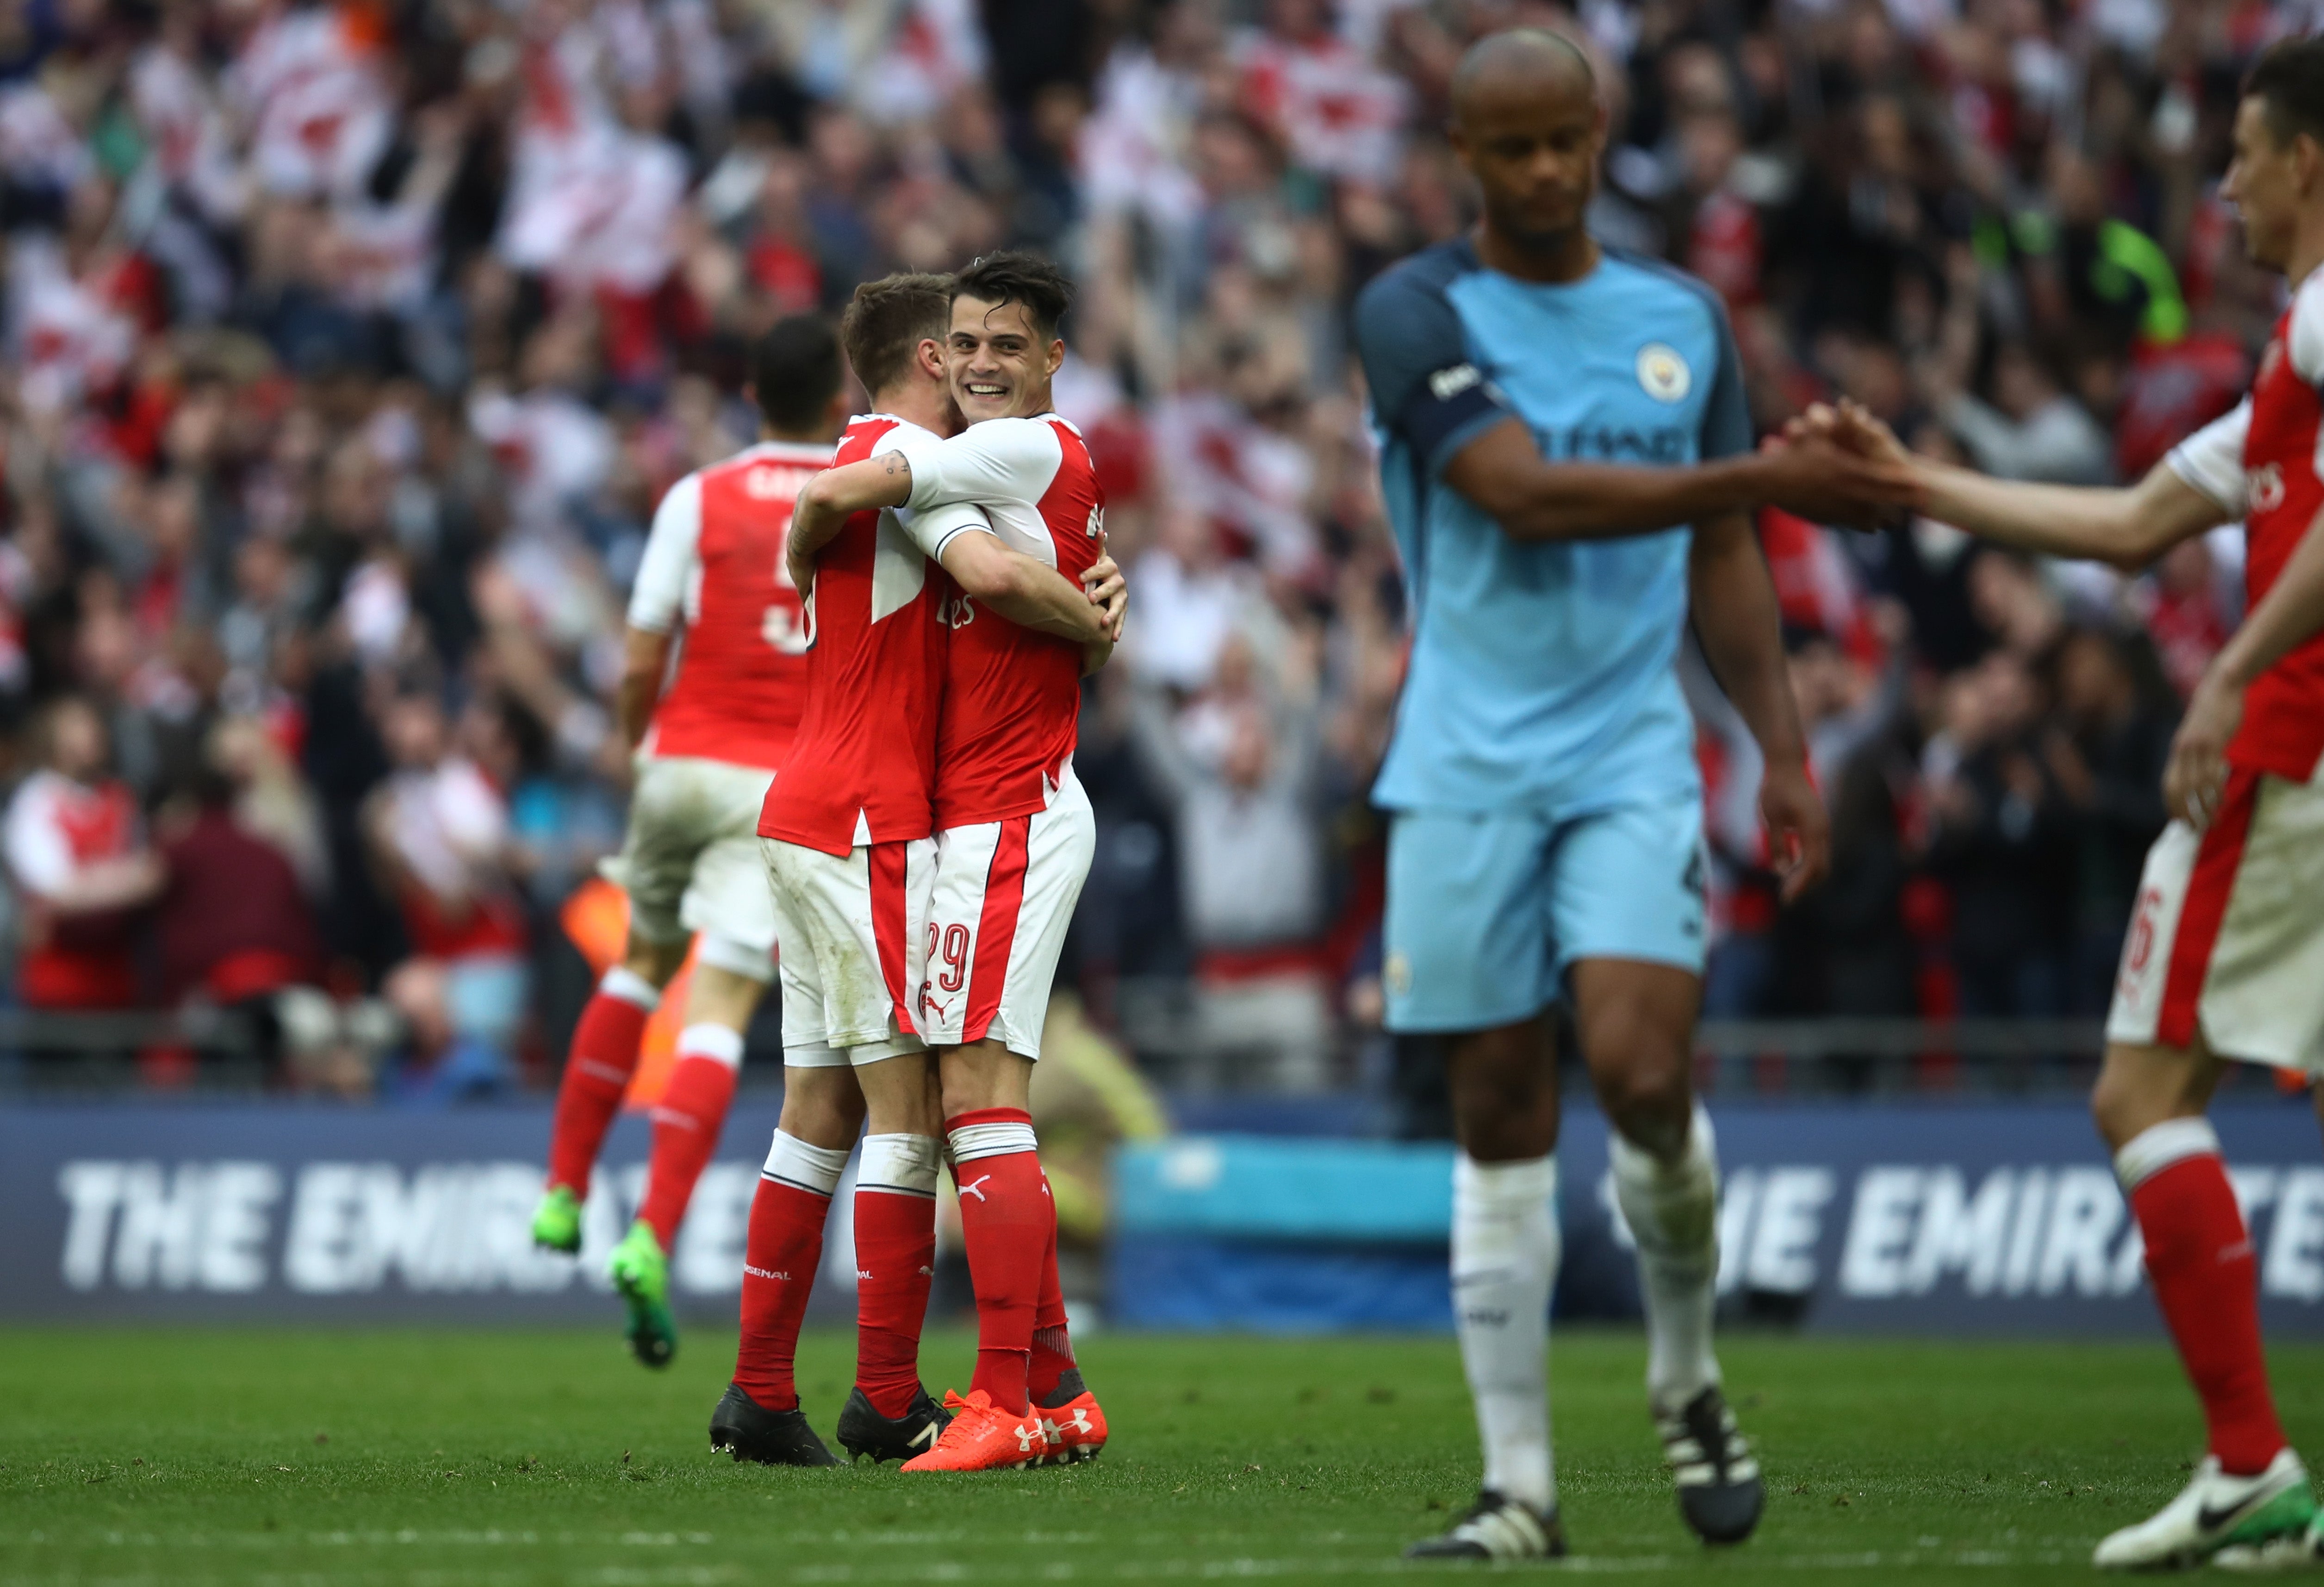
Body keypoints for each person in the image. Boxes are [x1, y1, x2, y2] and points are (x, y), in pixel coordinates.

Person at [1346, 29, 1915, 1562]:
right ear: (1465, 158)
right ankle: (1519, 1488)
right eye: (1511, 147)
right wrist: (1751, 479)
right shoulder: (1411, 311)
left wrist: (1782, 750)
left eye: (1565, 142)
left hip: (1625, 760)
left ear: (1601, 139)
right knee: (1497, 1118)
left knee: (1642, 1073)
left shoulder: (1680, 319)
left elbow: (1725, 561)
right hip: (1462, 766)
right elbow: (1519, 494)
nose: (1542, 170)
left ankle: (1687, 1378)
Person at [1794, 37, 2324, 1571]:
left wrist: (2228, 678)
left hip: (2285, 761)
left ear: (2305, 160)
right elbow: (2130, 521)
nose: (2217, 186)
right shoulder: (2288, 362)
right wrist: (1915, 488)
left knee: (2140, 1095)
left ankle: (2246, 1467)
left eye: (2240, 153)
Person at [711, 272, 1121, 1468]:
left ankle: (761, 1388)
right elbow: (994, 576)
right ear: (931, 361)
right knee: (915, 1110)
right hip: (867, 821)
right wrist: (1097, 616)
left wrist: (1095, 582)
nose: (979, 364)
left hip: (819, 811)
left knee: (819, 1108)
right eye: (964, 344)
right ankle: (891, 1392)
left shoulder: (900, 448)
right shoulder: (905, 454)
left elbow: (1009, 566)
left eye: (1005, 342)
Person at [527, 315, 843, 1369]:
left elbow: (638, 652)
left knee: (639, 963)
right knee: (718, 1005)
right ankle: (652, 1233)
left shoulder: (697, 495)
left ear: (752, 392)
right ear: (838, 397)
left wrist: (636, 748)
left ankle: (565, 1187)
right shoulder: (856, 496)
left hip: (678, 762)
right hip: (777, 786)